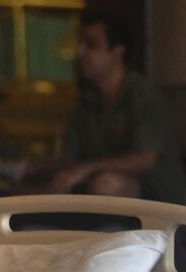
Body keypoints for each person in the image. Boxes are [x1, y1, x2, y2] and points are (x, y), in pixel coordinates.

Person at [42, 10, 185, 204]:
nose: (80, 52)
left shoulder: (141, 93)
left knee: (107, 184)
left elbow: (147, 158)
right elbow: (70, 156)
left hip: (158, 199)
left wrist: (87, 169)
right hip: (97, 193)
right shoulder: (87, 102)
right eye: (80, 44)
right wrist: (30, 167)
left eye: (91, 45)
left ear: (117, 52)